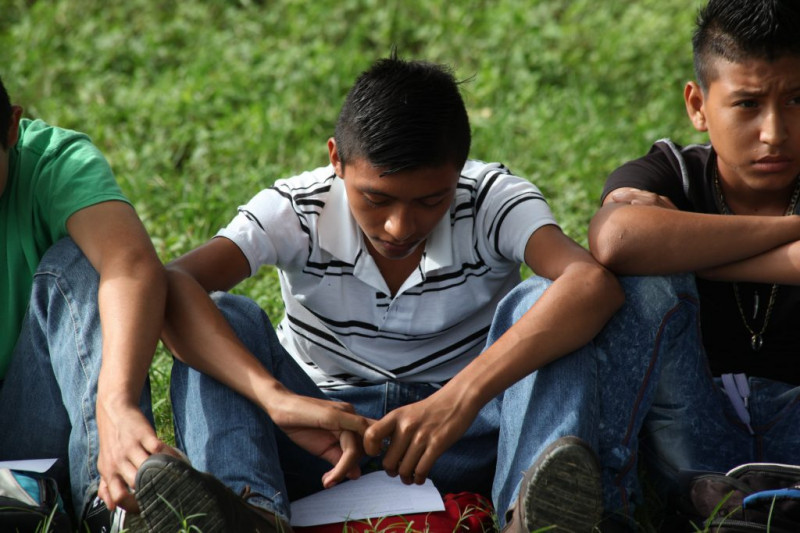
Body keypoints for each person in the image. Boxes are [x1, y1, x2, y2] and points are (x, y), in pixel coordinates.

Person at [132, 55, 624, 532]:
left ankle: (531, 515)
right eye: (376, 198)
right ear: (336, 160)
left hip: (467, 438)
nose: (399, 226)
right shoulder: (298, 209)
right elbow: (174, 284)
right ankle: (251, 514)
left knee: (549, 303)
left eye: (431, 200)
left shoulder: (493, 199)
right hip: (320, 439)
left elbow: (590, 283)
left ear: (459, 172)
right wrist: (275, 399)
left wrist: (460, 399)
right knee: (221, 314)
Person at [589, 0, 800, 527]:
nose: (774, 132)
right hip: (693, 426)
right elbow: (616, 239)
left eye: (797, 100)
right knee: (644, 287)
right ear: (698, 105)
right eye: (747, 104)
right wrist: (790, 237)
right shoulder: (673, 172)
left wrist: (699, 257)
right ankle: (612, 503)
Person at [0, 76, 171, 530]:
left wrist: (115, 405)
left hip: (33, 413)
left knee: (81, 259)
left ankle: (111, 499)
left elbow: (130, 263)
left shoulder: (52, 163)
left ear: (11, 128)